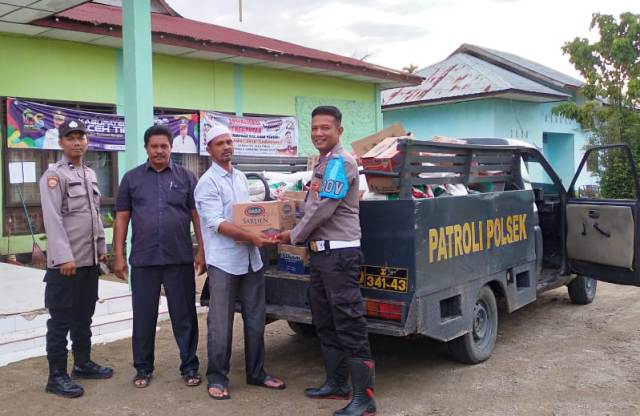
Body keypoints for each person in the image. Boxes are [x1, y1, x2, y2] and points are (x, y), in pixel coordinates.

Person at [280, 106, 376, 416]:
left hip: (340, 255)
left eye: (326, 128)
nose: (318, 133)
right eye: (315, 128)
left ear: (339, 131)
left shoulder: (340, 162)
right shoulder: (322, 162)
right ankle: (337, 385)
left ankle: (365, 399)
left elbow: (323, 209)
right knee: (325, 320)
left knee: (349, 322)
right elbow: (311, 205)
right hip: (322, 254)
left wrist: (293, 235)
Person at [194, 125, 286, 400]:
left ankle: (256, 372)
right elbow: (217, 223)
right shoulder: (206, 183)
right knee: (220, 322)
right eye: (219, 143)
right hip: (223, 262)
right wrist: (251, 236)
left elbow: (249, 215)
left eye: (229, 141)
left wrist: (265, 229)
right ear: (209, 150)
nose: (226, 147)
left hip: (251, 261)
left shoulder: (242, 177)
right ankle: (217, 377)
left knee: (256, 319)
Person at [112, 124, 205, 389]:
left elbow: (197, 216)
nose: (159, 151)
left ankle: (189, 366)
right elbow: (121, 218)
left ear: (171, 148)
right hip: (144, 260)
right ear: (146, 148)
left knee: (184, 316)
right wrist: (118, 256)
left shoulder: (186, 177)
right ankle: (143, 368)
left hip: (179, 258)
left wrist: (202, 251)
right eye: (154, 146)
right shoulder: (131, 179)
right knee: (143, 317)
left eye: (164, 146)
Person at [39, 119, 114, 398]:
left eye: (80, 137)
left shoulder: (89, 173)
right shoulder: (53, 176)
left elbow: (94, 215)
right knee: (60, 320)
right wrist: (63, 258)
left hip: (88, 262)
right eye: (70, 137)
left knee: (84, 316)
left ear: (86, 141)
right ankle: (56, 376)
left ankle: (82, 364)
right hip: (66, 265)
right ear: (61, 142)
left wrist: (100, 247)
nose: (76, 142)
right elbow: (53, 218)